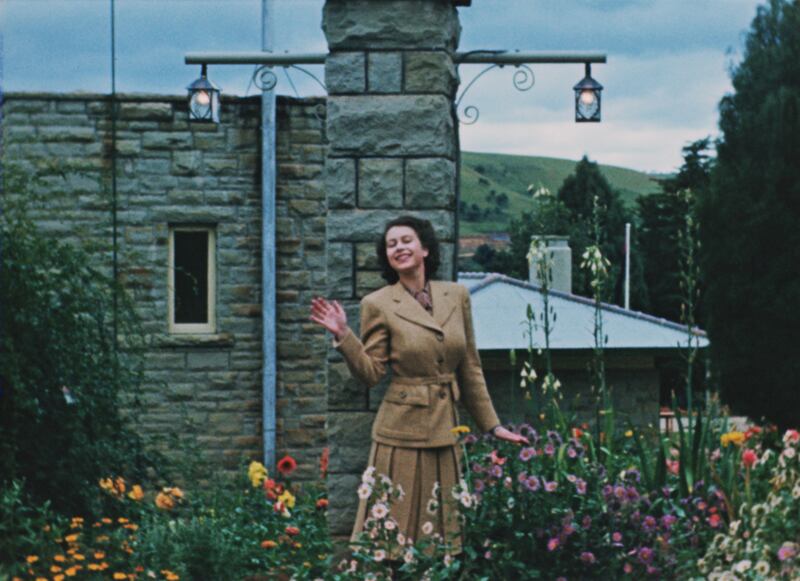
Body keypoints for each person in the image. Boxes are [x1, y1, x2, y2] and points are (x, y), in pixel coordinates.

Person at [310, 215, 527, 555]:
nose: (399, 248)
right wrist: (344, 335)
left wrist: (492, 426)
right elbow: (371, 373)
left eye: (406, 240)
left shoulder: (456, 296)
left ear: (425, 248)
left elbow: (469, 366)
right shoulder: (377, 304)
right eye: (391, 244)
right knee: (392, 535)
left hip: (446, 431)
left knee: (443, 537)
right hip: (401, 435)